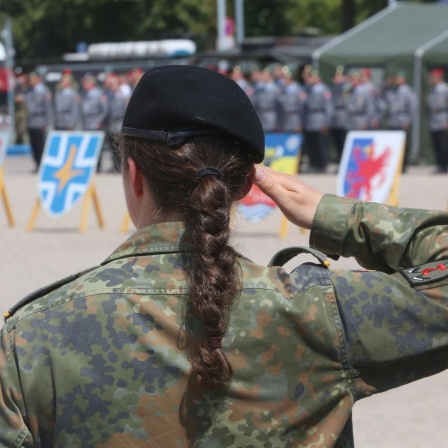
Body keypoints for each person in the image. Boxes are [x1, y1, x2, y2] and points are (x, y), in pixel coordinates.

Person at [2, 65, 448, 448]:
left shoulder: (29, 340)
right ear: (243, 187)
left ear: (133, 175)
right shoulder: (318, 312)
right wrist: (335, 215)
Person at [303, 69, 333, 173]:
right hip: (310, 119)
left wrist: (326, 123)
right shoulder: (309, 89)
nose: (310, 79)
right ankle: (314, 164)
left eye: (312, 77)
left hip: (320, 118)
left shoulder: (323, 90)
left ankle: (323, 164)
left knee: (321, 144)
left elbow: (328, 108)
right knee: (312, 144)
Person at [386, 72, 417, 172]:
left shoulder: (408, 91)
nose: (396, 80)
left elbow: (412, 107)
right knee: (394, 143)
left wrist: (408, 121)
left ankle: (403, 165)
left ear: (404, 79)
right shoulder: (392, 90)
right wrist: (386, 85)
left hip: (403, 118)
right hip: (393, 119)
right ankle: (395, 165)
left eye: (399, 78)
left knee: (403, 144)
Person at [25, 72, 52, 170]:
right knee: (34, 145)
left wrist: (46, 122)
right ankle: (37, 164)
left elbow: (47, 108)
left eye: (33, 79)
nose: (31, 81)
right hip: (31, 121)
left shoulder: (43, 91)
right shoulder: (29, 91)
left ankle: (43, 165)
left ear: (38, 79)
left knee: (41, 145)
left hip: (40, 120)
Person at [427, 68, 448, 174]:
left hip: (443, 118)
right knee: (436, 144)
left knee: (443, 143)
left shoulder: (445, 89)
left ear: (439, 78)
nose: (432, 79)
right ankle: (440, 165)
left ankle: (444, 165)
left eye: (433, 77)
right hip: (434, 119)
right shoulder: (433, 89)